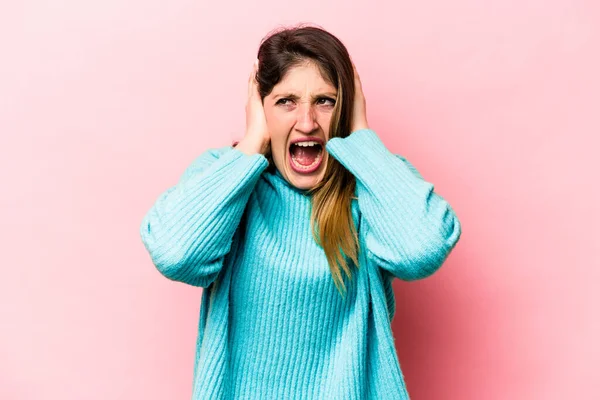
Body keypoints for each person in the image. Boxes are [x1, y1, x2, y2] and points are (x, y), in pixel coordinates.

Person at [139, 25, 462, 400]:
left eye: (325, 101)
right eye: (285, 102)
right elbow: (175, 253)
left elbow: (421, 249)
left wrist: (360, 135)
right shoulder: (224, 179)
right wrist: (252, 143)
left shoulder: (372, 185)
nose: (307, 122)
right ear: (260, 109)